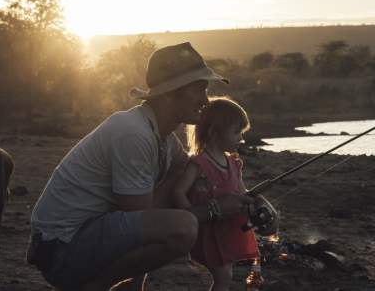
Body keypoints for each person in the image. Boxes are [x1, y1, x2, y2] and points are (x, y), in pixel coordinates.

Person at [28, 42, 255, 291]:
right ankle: (97, 287)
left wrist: (250, 205)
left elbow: (199, 172)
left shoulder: (163, 138)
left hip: (82, 237)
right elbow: (141, 217)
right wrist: (214, 210)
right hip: (62, 250)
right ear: (170, 93)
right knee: (183, 227)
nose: (205, 100)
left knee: (181, 178)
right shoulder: (134, 133)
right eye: (198, 90)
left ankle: (130, 286)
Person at [173, 97, 259, 291]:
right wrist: (190, 216)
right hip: (208, 232)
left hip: (227, 230)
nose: (241, 138)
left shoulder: (234, 163)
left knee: (225, 274)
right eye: (237, 132)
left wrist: (254, 203)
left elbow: (242, 191)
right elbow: (178, 191)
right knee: (223, 277)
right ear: (214, 133)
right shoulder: (199, 164)